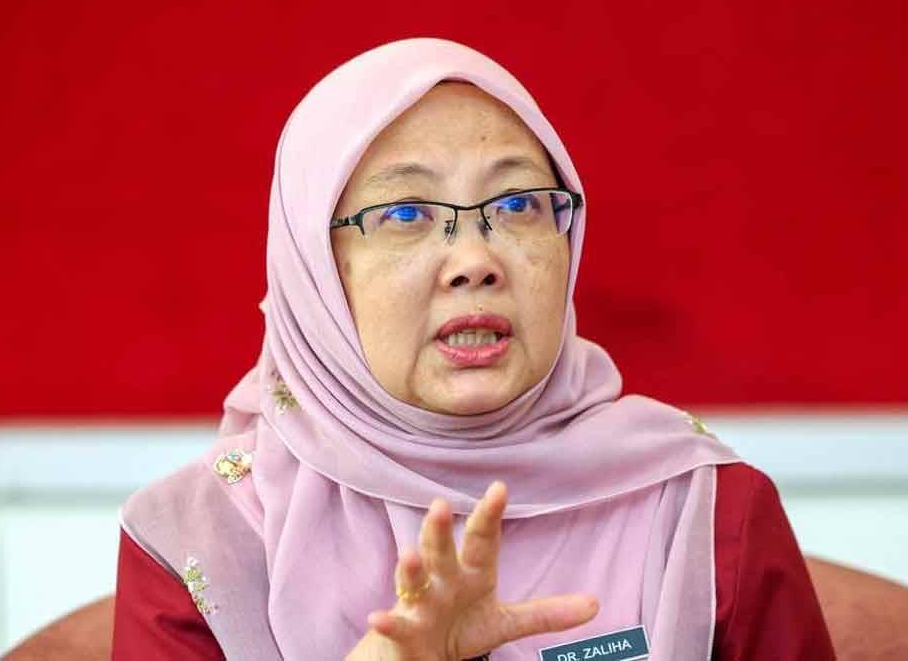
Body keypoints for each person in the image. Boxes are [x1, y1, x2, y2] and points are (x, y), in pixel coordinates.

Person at [112, 38, 834, 660]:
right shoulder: (203, 539)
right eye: (405, 213)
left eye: (517, 204)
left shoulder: (704, 507)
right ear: (315, 270)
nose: (475, 261)